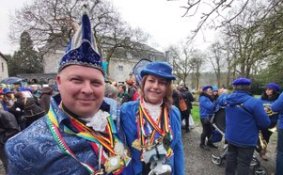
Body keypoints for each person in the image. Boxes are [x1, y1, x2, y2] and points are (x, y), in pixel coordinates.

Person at [5, 11, 130, 175]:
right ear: (59, 82)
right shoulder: (25, 146)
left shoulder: (118, 116)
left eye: (95, 82)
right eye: (77, 80)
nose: (87, 89)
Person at [120, 61, 185, 175]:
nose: (155, 86)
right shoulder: (126, 110)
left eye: (162, 82)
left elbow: (178, 149)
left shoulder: (174, 112)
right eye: (151, 80)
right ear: (144, 83)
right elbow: (122, 148)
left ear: (167, 88)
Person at [217, 78, 270, 175]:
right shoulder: (255, 102)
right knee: (244, 164)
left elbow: (220, 100)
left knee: (231, 160)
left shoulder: (227, 99)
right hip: (246, 140)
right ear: (249, 87)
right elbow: (265, 123)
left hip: (231, 137)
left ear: (234, 87)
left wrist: (224, 93)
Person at [258, 82, 280, 160]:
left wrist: (268, 110)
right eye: (266, 89)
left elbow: (278, 110)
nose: (267, 91)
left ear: (275, 91)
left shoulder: (278, 100)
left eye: (270, 89)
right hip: (262, 121)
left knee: (267, 137)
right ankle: (262, 150)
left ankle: (263, 150)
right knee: (262, 137)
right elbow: (257, 106)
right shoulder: (261, 98)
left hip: (272, 123)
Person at [199, 85, 217, 149]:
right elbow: (210, 107)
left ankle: (209, 143)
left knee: (210, 131)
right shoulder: (203, 98)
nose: (211, 91)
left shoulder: (209, 97)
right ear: (205, 91)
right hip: (205, 117)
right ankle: (202, 144)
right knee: (205, 131)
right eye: (209, 90)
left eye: (211, 90)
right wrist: (216, 102)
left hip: (210, 116)